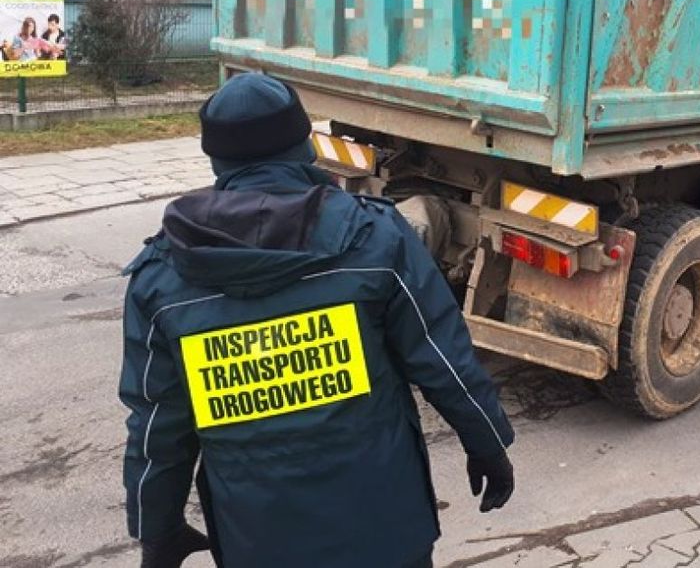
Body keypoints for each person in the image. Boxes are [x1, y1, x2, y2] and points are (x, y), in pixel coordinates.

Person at [119, 73, 515, 568]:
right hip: (385, 530)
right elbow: (441, 358)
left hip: (257, 541)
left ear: (217, 159)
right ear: (304, 145)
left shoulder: (162, 278)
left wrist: (156, 528)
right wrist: (487, 444)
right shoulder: (376, 239)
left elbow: (159, 423)